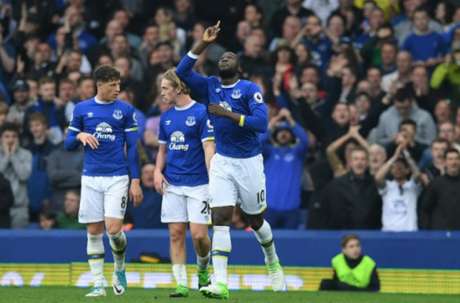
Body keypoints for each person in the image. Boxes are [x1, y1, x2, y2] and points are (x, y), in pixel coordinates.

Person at [176, 21, 286, 299]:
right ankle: (221, 283)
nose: (224, 57)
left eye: (230, 56)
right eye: (222, 56)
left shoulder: (249, 89)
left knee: (255, 220)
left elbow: (261, 123)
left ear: (239, 68)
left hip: (249, 162)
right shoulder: (210, 86)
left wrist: (228, 115)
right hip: (223, 161)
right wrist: (203, 44)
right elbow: (181, 71)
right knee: (220, 218)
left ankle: (271, 260)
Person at [64, 65, 143, 297]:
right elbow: (68, 143)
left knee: (114, 230)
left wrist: (135, 180)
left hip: (117, 177)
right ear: (100, 84)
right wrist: (79, 135)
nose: (118, 89)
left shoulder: (126, 110)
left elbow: (133, 148)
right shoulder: (82, 109)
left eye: (119, 84)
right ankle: (98, 283)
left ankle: (119, 267)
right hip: (90, 177)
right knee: (93, 231)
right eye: (113, 85)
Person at [154, 69, 215, 297]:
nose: (162, 93)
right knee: (176, 234)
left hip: (199, 184)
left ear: (178, 88)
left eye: (165, 88)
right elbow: (162, 150)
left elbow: (209, 148)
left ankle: (202, 270)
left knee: (199, 235)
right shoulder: (166, 117)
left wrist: (214, 178)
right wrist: (158, 171)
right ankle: (181, 284)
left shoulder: (201, 113)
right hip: (173, 184)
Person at [262, 108, 308, 229]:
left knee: (291, 246)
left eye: (287, 131)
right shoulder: (269, 152)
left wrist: (290, 120)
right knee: (266, 245)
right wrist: (273, 122)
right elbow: (258, 142)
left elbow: (305, 140)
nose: (283, 133)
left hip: (292, 209)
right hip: (269, 208)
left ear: (292, 135)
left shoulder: (297, 153)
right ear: (275, 134)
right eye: (280, 131)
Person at [322, 147, 382, 229]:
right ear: (350, 163)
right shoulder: (337, 184)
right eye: (356, 159)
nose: (359, 163)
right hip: (345, 234)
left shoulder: (374, 183)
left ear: (367, 163)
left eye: (363, 159)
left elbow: (377, 211)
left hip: (370, 233)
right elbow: (334, 214)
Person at [375, 144, 422, 232]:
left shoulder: (412, 186)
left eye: (400, 168)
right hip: (389, 233)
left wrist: (407, 156)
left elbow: (418, 175)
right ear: (391, 170)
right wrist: (394, 157)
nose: (397, 169)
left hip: (410, 233)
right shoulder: (387, 186)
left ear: (407, 170)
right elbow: (378, 177)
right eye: (394, 168)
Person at [0, 123, 32, 228]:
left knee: (19, 243)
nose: (10, 140)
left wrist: (13, 156)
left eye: (14, 136)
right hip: (1, 208)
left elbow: (24, 176)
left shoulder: (26, 154)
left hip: (19, 208)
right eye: (7, 136)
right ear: (1, 139)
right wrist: (6, 157)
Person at [421, 148, 460, 230]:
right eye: (450, 159)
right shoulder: (436, 183)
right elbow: (426, 208)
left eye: (457, 159)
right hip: (440, 233)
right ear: (445, 162)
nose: (454, 162)